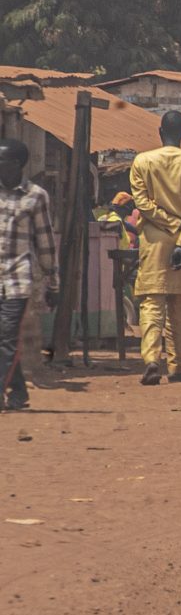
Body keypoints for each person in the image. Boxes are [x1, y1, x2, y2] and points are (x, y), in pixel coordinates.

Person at [128, 111, 181, 386]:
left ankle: (151, 359)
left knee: (152, 302)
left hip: (153, 240)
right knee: (180, 304)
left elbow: (143, 204)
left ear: (160, 132)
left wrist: (169, 224)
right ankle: (176, 367)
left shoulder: (143, 161)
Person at [0, 140, 57, 412]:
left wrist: (52, 282)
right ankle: (19, 392)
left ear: (17, 164)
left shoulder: (35, 196)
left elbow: (45, 242)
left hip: (17, 280)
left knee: (8, 338)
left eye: (3, 161)